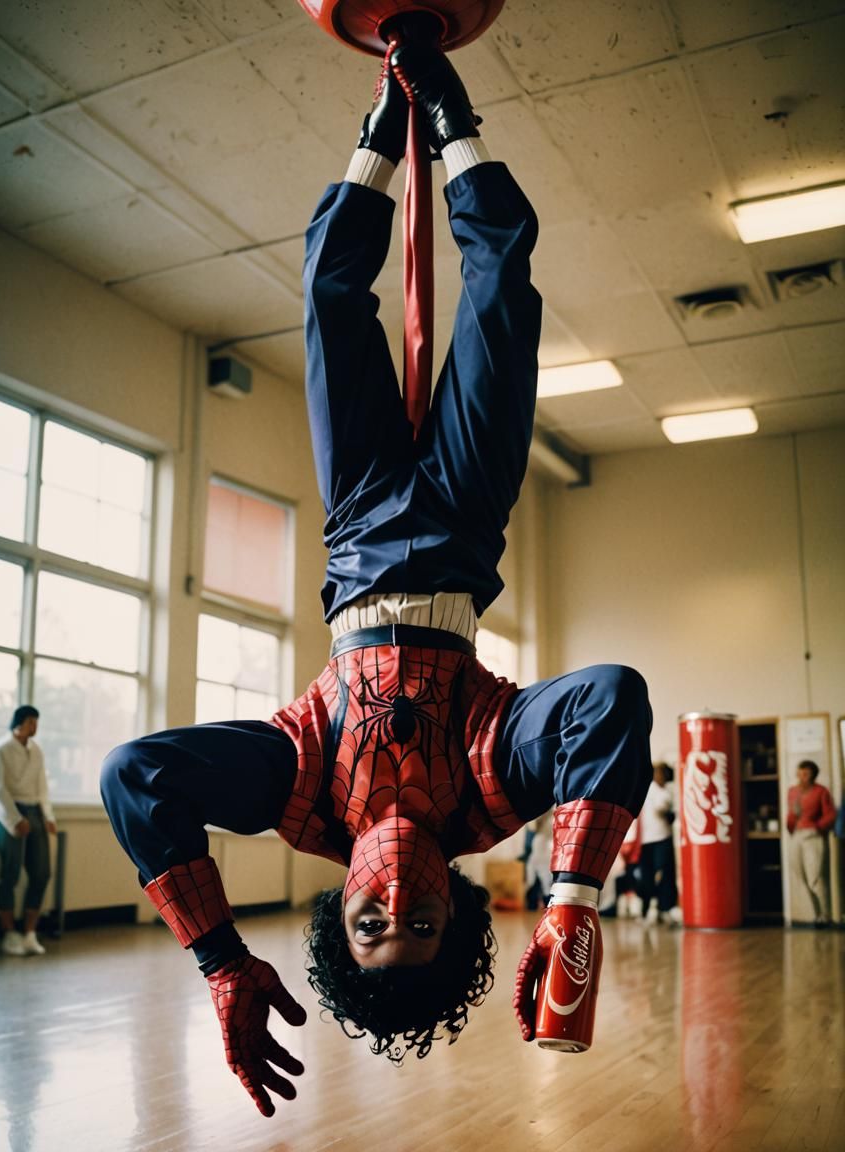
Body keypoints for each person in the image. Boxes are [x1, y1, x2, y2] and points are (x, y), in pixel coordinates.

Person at [101, 18, 653, 1119]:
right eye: (420, 923)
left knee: (323, 295)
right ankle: (448, 116)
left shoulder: (302, 796)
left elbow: (137, 782)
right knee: (501, 282)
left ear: (335, 906)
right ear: (455, 906)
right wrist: (575, 899)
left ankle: (380, 128)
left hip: (356, 524)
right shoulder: (486, 797)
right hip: (461, 514)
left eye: (368, 924)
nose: (395, 895)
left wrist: (217, 958)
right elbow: (607, 705)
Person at [0, 704, 57, 956]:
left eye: (36, 722)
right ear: (19, 722)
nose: (34, 727)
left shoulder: (37, 751)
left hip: (34, 811)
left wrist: (48, 816)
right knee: (10, 874)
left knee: (42, 872)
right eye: (30, 722)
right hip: (8, 813)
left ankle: (29, 933)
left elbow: (42, 787)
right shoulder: (1, 750)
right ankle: (9, 933)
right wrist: (14, 819)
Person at [786, 759, 836, 925]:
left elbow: (830, 815)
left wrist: (817, 827)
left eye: (805, 774)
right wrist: (790, 826)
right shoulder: (792, 792)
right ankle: (814, 915)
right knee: (799, 876)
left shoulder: (821, 791)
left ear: (813, 775)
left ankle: (825, 915)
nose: (802, 777)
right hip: (797, 836)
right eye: (800, 773)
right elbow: (791, 814)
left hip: (812, 836)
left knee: (815, 878)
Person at [637, 762, 680, 925]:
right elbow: (660, 808)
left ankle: (664, 909)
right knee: (649, 876)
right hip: (649, 840)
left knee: (664, 875)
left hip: (661, 838)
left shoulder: (665, 791)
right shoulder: (652, 790)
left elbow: (666, 811)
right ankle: (650, 909)